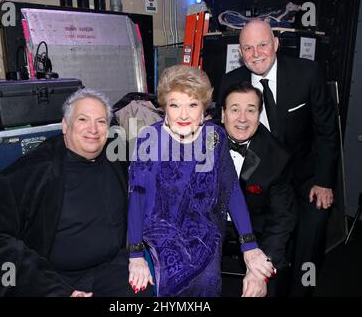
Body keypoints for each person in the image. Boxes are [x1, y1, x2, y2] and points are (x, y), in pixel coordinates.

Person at [0, 88, 150, 297]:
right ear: (65, 125)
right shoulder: (28, 173)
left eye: (101, 122)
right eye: (83, 119)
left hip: (110, 267)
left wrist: (136, 254)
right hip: (48, 279)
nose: (93, 129)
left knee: (144, 292)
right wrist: (56, 291)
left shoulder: (117, 157)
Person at [126, 64, 274, 297]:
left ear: (204, 107)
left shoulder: (215, 137)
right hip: (161, 233)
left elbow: (231, 188)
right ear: (165, 107)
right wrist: (135, 255)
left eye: (192, 104)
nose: (184, 115)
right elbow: (137, 197)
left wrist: (249, 245)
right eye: (175, 105)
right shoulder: (150, 139)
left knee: (208, 283)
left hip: (205, 233)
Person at [217, 20, 339, 296]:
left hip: (306, 179)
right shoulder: (230, 81)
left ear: (275, 44)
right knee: (268, 240)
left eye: (262, 45)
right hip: (260, 182)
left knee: (309, 240)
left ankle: (303, 290)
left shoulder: (308, 73)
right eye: (248, 48)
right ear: (240, 51)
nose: (256, 53)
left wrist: (324, 181)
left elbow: (326, 131)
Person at [221, 81, 297, 296]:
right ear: (223, 113)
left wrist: (260, 271)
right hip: (209, 230)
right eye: (235, 109)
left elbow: (282, 218)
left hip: (258, 234)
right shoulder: (201, 142)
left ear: (259, 114)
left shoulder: (277, 157)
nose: (243, 118)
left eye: (250, 110)